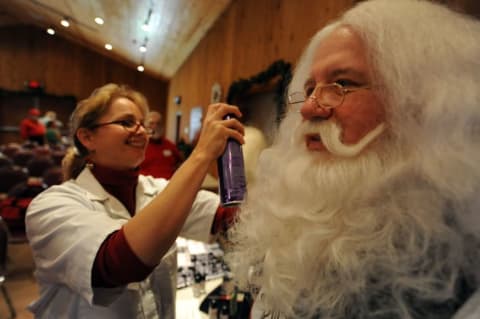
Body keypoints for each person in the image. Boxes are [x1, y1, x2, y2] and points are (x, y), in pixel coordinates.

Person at [227, 1, 480, 318]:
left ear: (422, 104)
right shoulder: (303, 226)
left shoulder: (462, 278)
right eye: (309, 88)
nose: (308, 109)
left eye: (343, 83)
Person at [25, 83, 244, 318]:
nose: (141, 131)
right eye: (127, 122)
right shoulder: (50, 206)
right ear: (87, 137)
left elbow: (228, 216)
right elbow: (120, 263)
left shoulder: (157, 190)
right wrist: (201, 155)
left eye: (143, 124)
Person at [139, 111, 184, 179]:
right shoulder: (138, 145)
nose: (155, 126)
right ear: (144, 125)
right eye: (151, 123)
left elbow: (181, 163)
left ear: (163, 126)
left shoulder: (170, 145)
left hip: (168, 184)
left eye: (158, 123)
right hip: (146, 186)